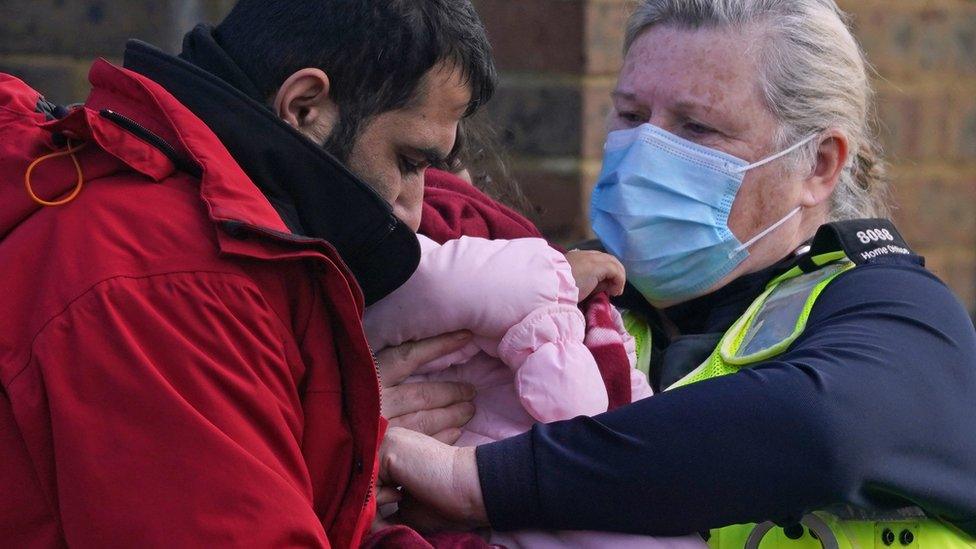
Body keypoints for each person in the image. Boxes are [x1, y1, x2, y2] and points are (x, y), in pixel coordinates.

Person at [378, 1, 976, 547]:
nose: (644, 153)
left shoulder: (901, 317)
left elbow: (819, 429)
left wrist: (473, 482)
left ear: (819, 165)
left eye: (697, 128)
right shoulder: (557, 287)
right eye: (631, 115)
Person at [0, 1, 496, 546]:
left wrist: (333, 464)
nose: (414, 208)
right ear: (305, 107)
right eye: (407, 161)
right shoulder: (172, 279)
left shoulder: (230, 246)